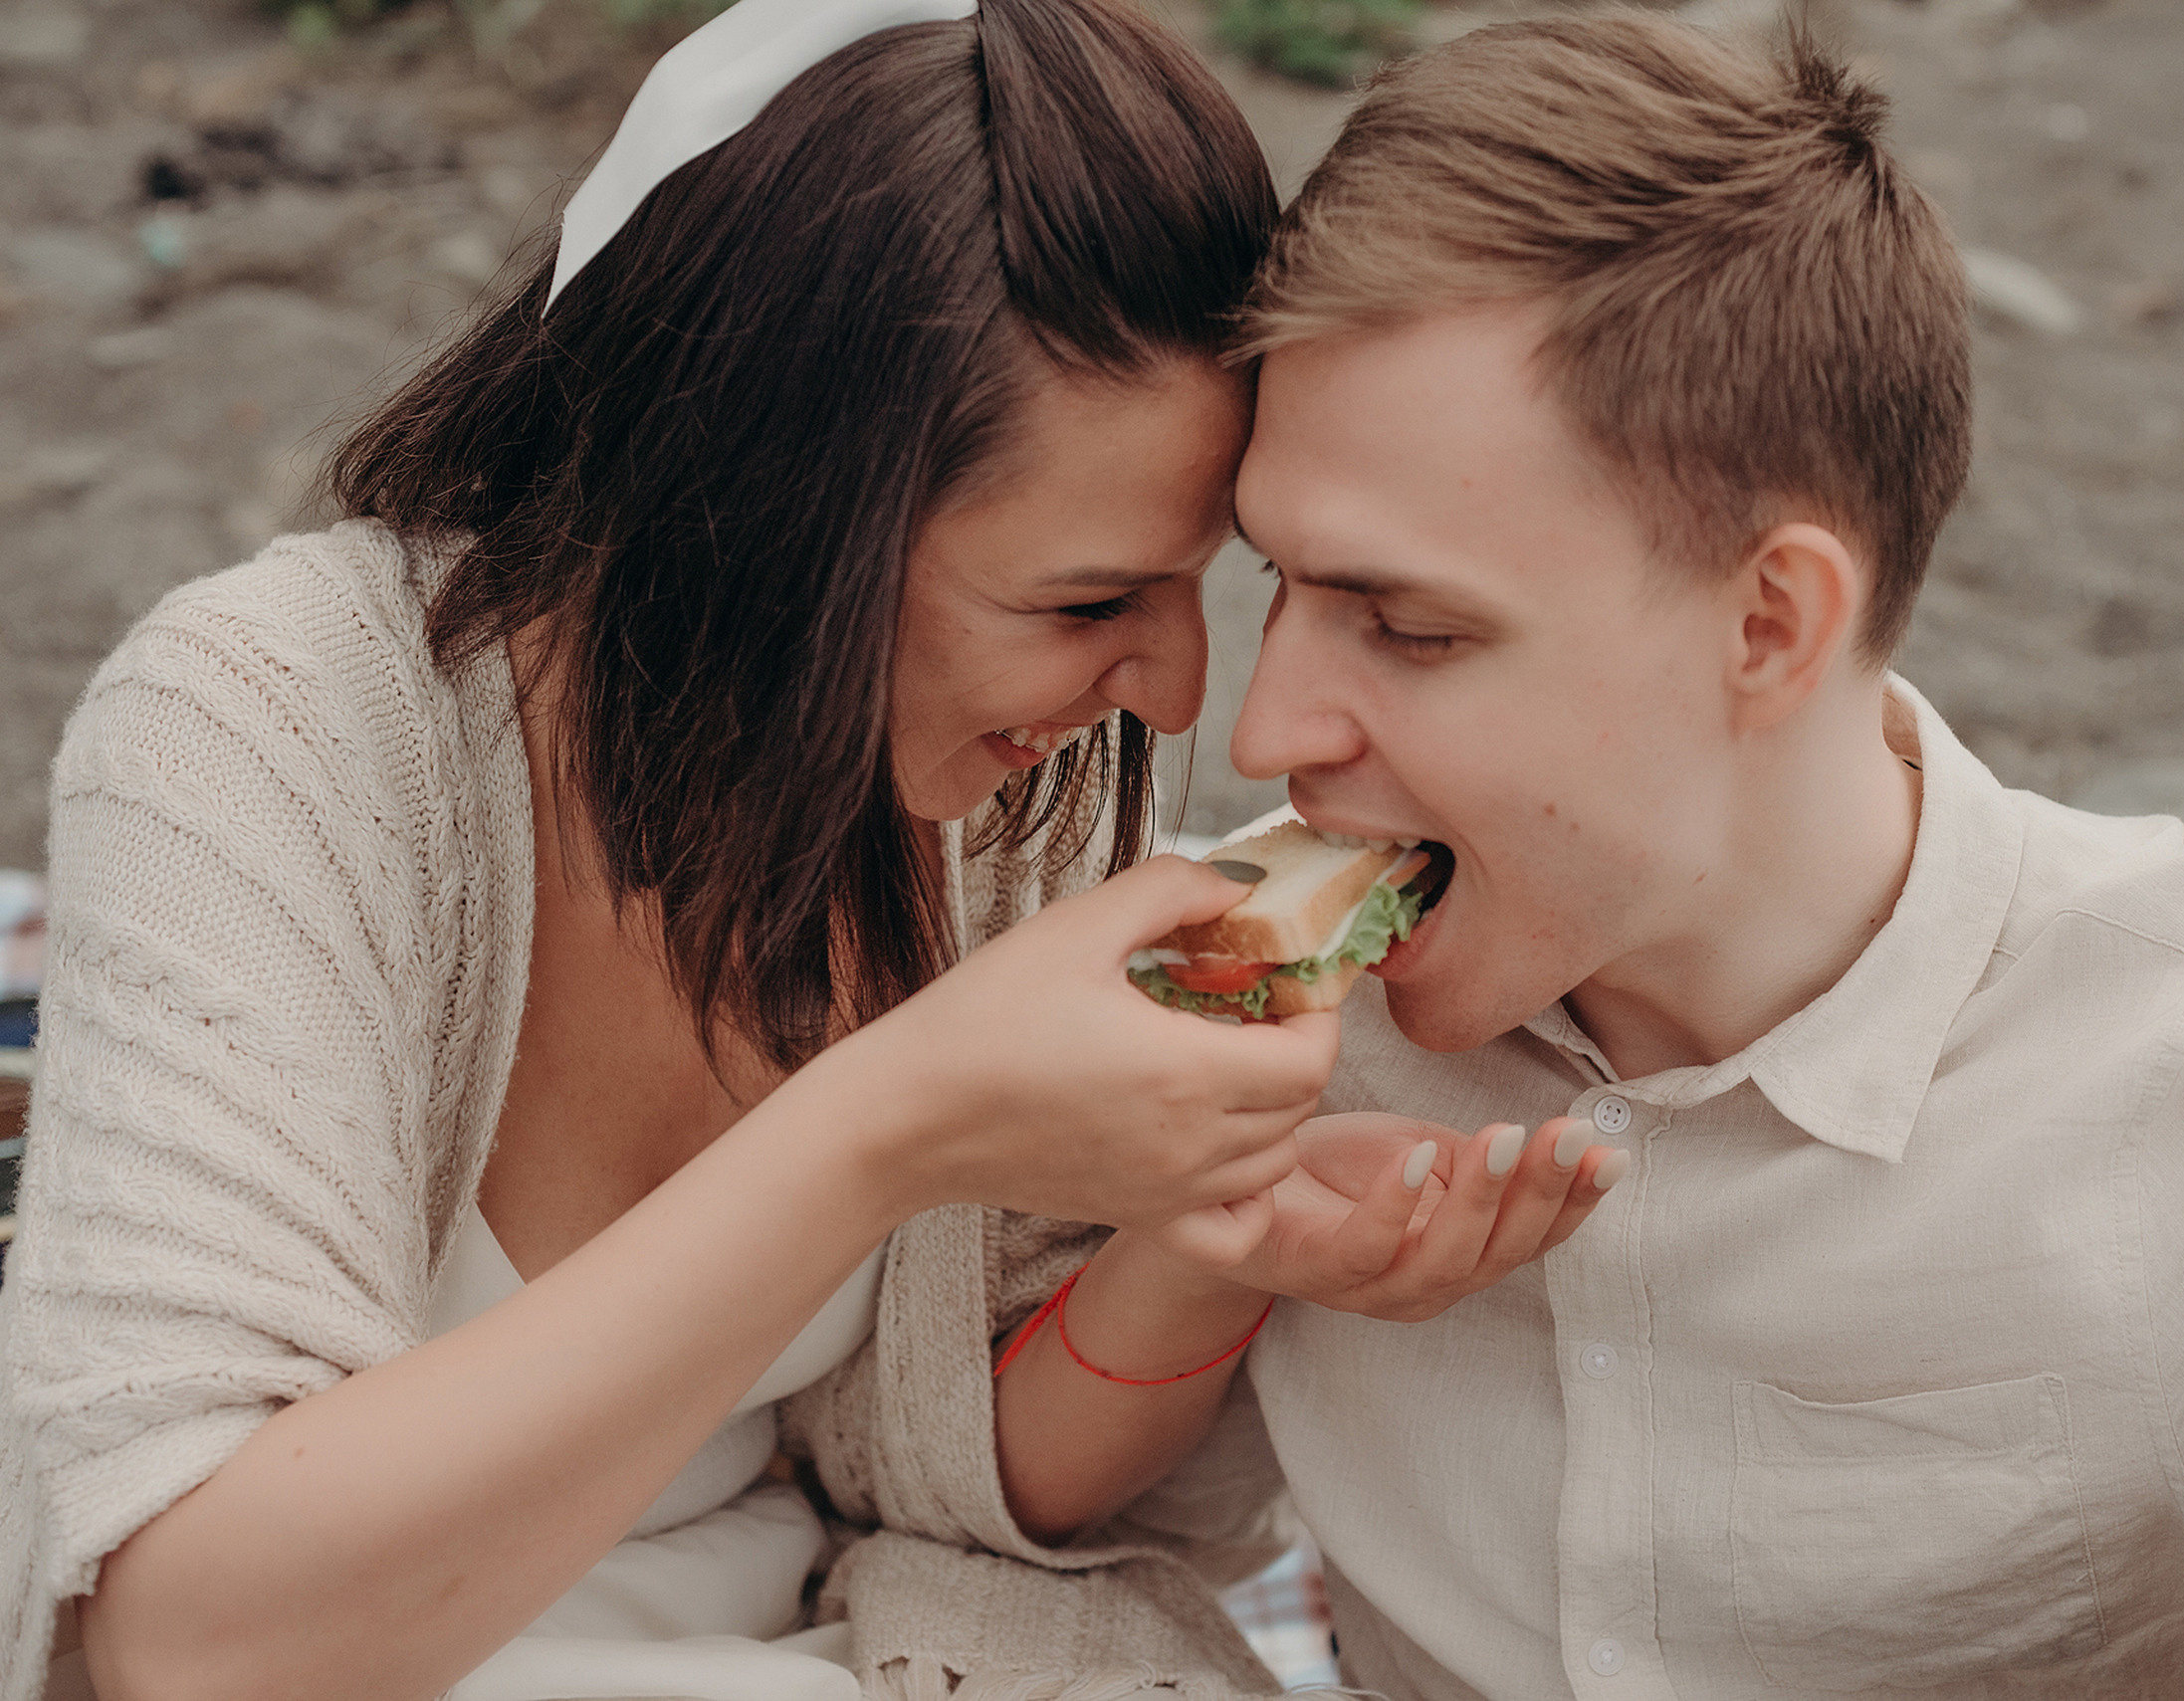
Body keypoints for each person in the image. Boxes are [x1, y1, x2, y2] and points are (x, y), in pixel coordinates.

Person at [927, 13, 2184, 1700]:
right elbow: (992, 1509)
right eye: (1286, 586)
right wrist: (1194, 1245)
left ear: (1768, 624)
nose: (1266, 735)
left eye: (1405, 626)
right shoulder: (1272, 1001)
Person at [0, 1, 1358, 1697]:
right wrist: (886, 1123)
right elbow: (196, 1645)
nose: (1172, 697)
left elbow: (929, 1473)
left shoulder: (1003, 797)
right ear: (766, 518)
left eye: (1198, 580)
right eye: (1087, 601)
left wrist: (1212, 1238)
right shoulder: (269, 729)